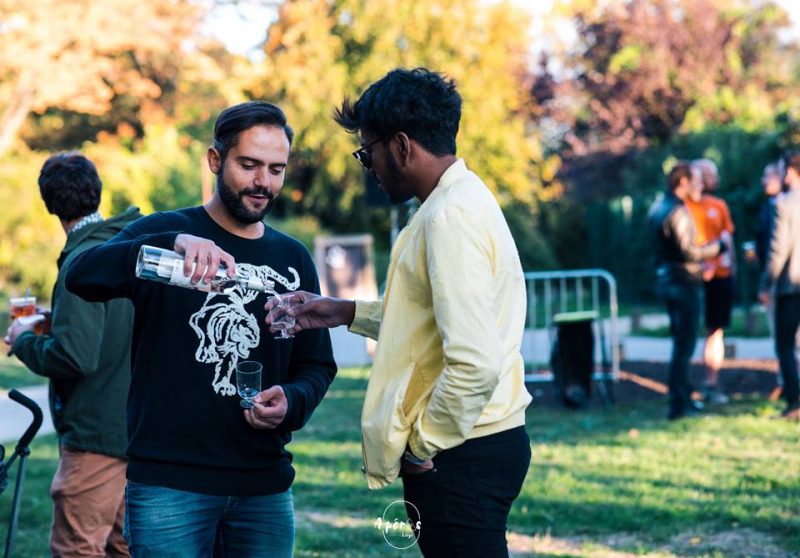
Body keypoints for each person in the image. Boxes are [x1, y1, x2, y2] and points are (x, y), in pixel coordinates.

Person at [265, 68, 532, 557]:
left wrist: (421, 449)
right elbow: (429, 319)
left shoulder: (449, 217)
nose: (368, 166)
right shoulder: (457, 199)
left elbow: (474, 361)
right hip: (477, 443)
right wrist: (342, 311)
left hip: (461, 450)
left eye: (368, 152)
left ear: (402, 146)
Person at [64, 101, 337, 556]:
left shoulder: (293, 259)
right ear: (215, 160)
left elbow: (317, 365)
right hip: (169, 488)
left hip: (264, 487)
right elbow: (81, 275)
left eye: (276, 169)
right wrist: (167, 244)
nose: (262, 183)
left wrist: (293, 400)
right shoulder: (167, 232)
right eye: (249, 165)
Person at [3, 153, 141, 557]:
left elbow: (76, 356)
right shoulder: (124, 246)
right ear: (97, 192)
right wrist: (56, 318)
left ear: (49, 204)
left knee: (76, 548)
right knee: (124, 547)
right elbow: (112, 326)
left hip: (96, 436)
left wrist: (22, 340)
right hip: (134, 429)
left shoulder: (82, 260)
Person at [648, 162, 724, 420]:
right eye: (696, 181)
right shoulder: (677, 210)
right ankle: (679, 404)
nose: (700, 186)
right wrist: (717, 248)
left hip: (668, 281)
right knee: (684, 345)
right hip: (682, 282)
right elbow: (688, 251)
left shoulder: (657, 206)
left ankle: (683, 398)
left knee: (681, 344)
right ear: (683, 183)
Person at [684, 158, 735, 405]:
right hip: (694, 277)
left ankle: (710, 383)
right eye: (710, 173)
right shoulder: (682, 207)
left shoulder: (719, 205)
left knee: (715, 330)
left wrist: (730, 268)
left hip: (720, 278)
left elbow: (727, 240)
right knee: (689, 330)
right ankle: (683, 384)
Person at [759, 151, 800, 421]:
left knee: (784, 344)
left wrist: (765, 283)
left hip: (790, 286)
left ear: (789, 172)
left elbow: (779, 249)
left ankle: (794, 402)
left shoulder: (783, 204)